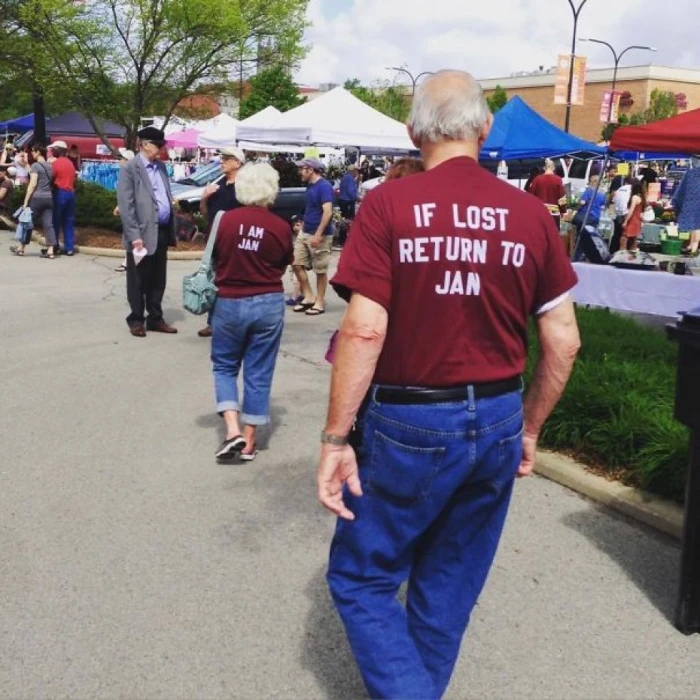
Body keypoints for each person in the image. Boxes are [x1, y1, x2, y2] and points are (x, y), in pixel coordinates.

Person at [316, 69, 580, 700]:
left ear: (413, 132)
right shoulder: (531, 215)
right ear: (485, 129)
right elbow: (564, 339)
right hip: (495, 415)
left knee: (363, 577)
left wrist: (334, 438)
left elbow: (361, 332)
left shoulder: (387, 205)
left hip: (409, 419)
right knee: (449, 582)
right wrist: (531, 427)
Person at [210, 163, 293, 461]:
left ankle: (231, 430)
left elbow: (215, 259)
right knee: (259, 371)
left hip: (229, 300)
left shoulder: (225, 221)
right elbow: (284, 263)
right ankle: (248, 441)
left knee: (224, 365)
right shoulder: (281, 226)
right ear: (272, 190)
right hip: (268, 302)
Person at [116, 126, 178, 337]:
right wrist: (134, 236)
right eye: (157, 145)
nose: (160, 149)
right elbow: (126, 205)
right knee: (138, 279)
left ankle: (155, 318)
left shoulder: (160, 167)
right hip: (140, 234)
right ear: (144, 144)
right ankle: (136, 319)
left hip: (160, 229)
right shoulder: (130, 168)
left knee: (158, 278)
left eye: (162, 145)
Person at [197, 146, 246, 338]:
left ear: (238, 163)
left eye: (227, 158)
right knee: (215, 282)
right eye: (222, 158)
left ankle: (236, 324)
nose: (222, 161)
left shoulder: (244, 189)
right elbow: (205, 215)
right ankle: (212, 322)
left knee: (236, 283)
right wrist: (204, 198)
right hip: (215, 244)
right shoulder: (218, 185)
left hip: (236, 244)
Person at [292, 158, 334, 317]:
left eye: (302, 169)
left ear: (310, 170)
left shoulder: (324, 187)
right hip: (305, 231)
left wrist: (318, 235)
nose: (300, 172)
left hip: (320, 235)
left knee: (320, 270)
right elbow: (311, 209)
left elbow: (328, 212)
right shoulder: (310, 186)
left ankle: (320, 302)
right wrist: (302, 225)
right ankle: (309, 296)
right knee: (296, 263)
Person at [11, 144, 57, 258]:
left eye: (33, 151)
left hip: (37, 198)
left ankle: (21, 248)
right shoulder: (50, 166)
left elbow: (32, 184)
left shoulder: (35, 166)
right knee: (48, 224)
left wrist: (26, 201)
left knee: (27, 223)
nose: (32, 153)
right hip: (49, 198)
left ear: (38, 152)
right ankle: (51, 250)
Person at [48, 140, 77, 256]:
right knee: (68, 221)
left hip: (60, 193)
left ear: (58, 150)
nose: (51, 151)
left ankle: (55, 246)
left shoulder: (56, 164)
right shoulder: (70, 163)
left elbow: (50, 178)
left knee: (56, 220)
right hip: (71, 193)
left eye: (53, 149)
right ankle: (69, 248)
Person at [529, 158, 567, 229]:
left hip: (540, 212)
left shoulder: (537, 179)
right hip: (554, 212)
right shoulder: (558, 180)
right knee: (553, 235)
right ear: (554, 168)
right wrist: (563, 211)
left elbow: (531, 196)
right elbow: (562, 197)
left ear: (544, 168)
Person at [113, 148, 135, 272]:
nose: (119, 161)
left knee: (129, 236)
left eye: (121, 158)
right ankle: (129, 261)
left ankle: (128, 262)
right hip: (127, 208)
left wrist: (121, 206)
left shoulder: (129, 174)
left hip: (130, 210)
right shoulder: (126, 173)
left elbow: (128, 193)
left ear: (127, 160)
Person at [671, 164, 700, 256]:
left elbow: (678, 196)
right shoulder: (691, 174)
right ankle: (693, 248)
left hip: (691, 209)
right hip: (693, 209)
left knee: (695, 225)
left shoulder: (691, 174)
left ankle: (693, 248)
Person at [620, 180, 646, 253]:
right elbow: (641, 213)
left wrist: (626, 221)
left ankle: (622, 254)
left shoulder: (634, 197)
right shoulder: (642, 198)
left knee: (624, 238)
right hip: (638, 221)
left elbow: (631, 211)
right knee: (633, 239)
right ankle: (633, 256)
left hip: (632, 221)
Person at [610, 176, 633, 254]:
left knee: (616, 234)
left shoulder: (620, 189)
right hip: (625, 214)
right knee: (624, 236)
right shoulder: (631, 190)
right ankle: (622, 253)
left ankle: (612, 251)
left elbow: (613, 200)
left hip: (617, 214)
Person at [285, 216, 304, 306]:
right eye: (294, 225)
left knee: (297, 279)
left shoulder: (303, 237)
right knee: (294, 278)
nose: (295, 227)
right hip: (293, 261)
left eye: (298, 225)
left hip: (299, 261)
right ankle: (303, 294)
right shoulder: (293, 237)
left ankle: (294, 297)